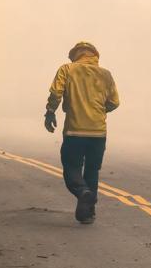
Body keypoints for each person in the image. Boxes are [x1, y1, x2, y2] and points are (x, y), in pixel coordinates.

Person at [43, 41, 120, 224]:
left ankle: (82, 192)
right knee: (92, 171)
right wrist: (99, 111)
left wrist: (50, 112)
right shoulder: (106, 74)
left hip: (74, 131)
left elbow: (56, 93)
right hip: (98, 133)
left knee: (72, 168)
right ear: (94, 55)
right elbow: (114, 102)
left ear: (75, 55)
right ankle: (88, 213)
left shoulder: (67, 69)